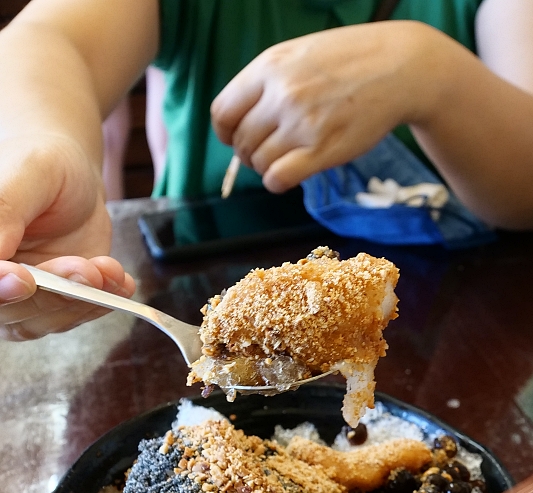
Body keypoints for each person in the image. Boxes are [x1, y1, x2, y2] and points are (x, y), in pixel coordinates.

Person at [0, 0, 532, 341]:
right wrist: (44, 143)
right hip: (188, 287)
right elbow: (46, 38)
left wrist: (433, 72)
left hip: (465, 316)